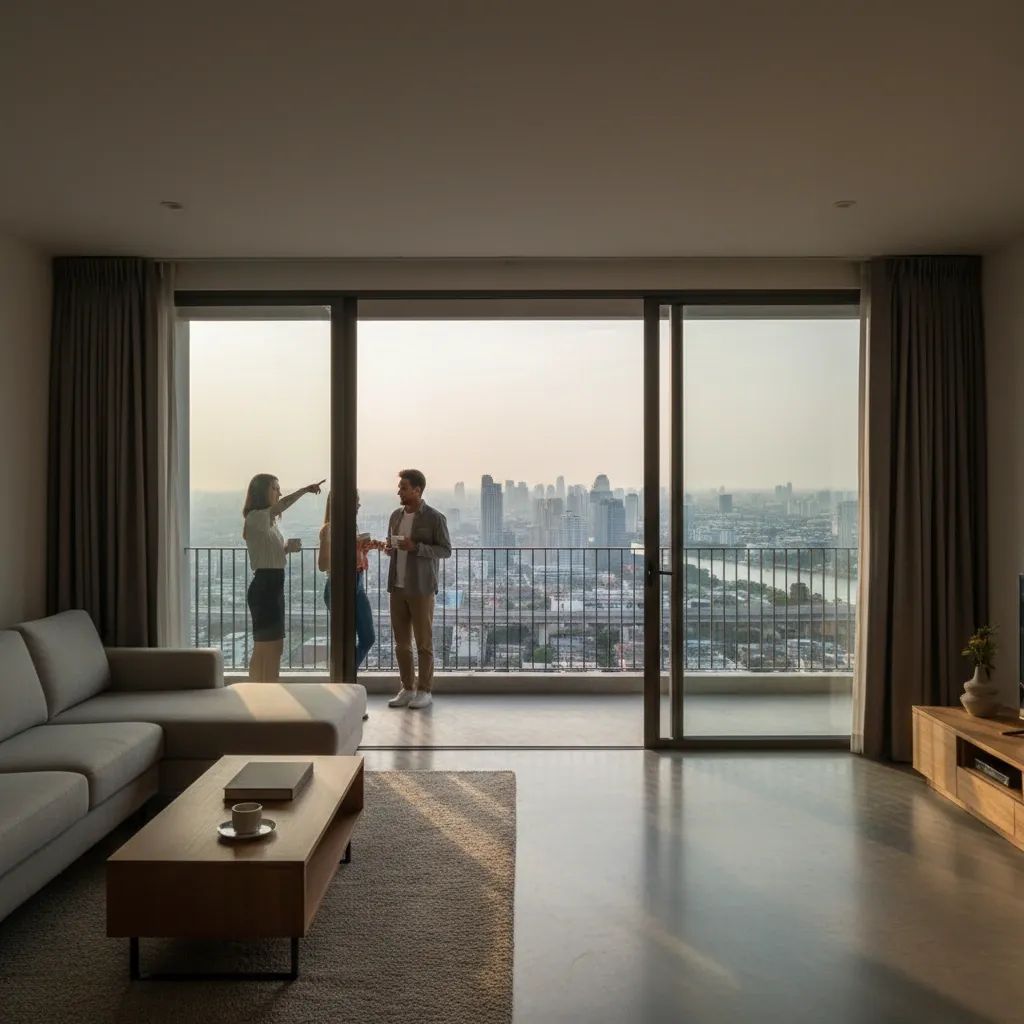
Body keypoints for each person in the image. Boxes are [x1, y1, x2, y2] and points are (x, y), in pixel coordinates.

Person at [242, 473, 324, 681]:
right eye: (275, 488)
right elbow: (283, 504)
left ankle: (266, 687)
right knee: (266, 647)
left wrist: (285, 548)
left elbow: (266, 554)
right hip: (266, 588)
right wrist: (305, 490)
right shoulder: (257, 517)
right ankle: (261, 690)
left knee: (272, 646)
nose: (279, 493)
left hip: (272, 586)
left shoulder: (267, 522)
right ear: (262, 492)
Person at [384, 468, 452, 709]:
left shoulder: (434, 518)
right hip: (397, 587)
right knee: (401, 643)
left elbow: (445, 550)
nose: (399, 492)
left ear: (417, 490)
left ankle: (425, 690)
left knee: (423, 643)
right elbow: (392, 545)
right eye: (399, 488)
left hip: (421, 588)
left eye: (403, 488)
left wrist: (416, 547)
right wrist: (389, 548)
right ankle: (407, 687)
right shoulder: (395, 516)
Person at [319, 490, 382, 670]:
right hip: (339, 585)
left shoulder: (351, 526)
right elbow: (323, 565)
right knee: (346, 640)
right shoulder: (329, 529)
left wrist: (363, 548)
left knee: (368, 638)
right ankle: (344, 676)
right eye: (355, 502)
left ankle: (345, 673)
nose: (358, 506)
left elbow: (352, 558)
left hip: (357, 582)